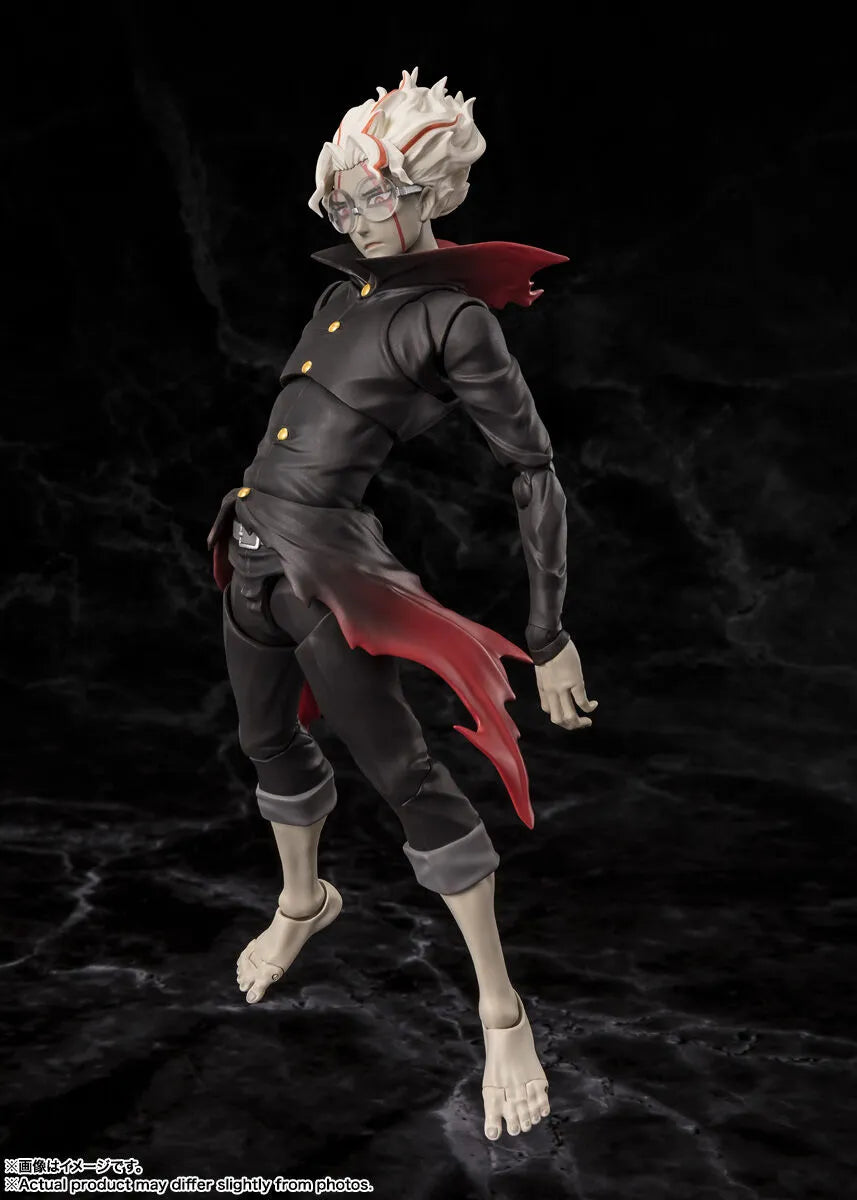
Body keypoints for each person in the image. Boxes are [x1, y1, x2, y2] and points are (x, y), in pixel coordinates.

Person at [206, 67, 598, 1141]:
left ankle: (501, 1012)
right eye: (345, 199)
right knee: (266, 743)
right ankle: (304, 902)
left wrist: (550, 634)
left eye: (379, 195)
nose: (362, 216)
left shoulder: (454, 320)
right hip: (248, 552)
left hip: (327, 576)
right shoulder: (340, 296)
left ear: (434, 190)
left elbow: (533, 469)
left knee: (408, 780)